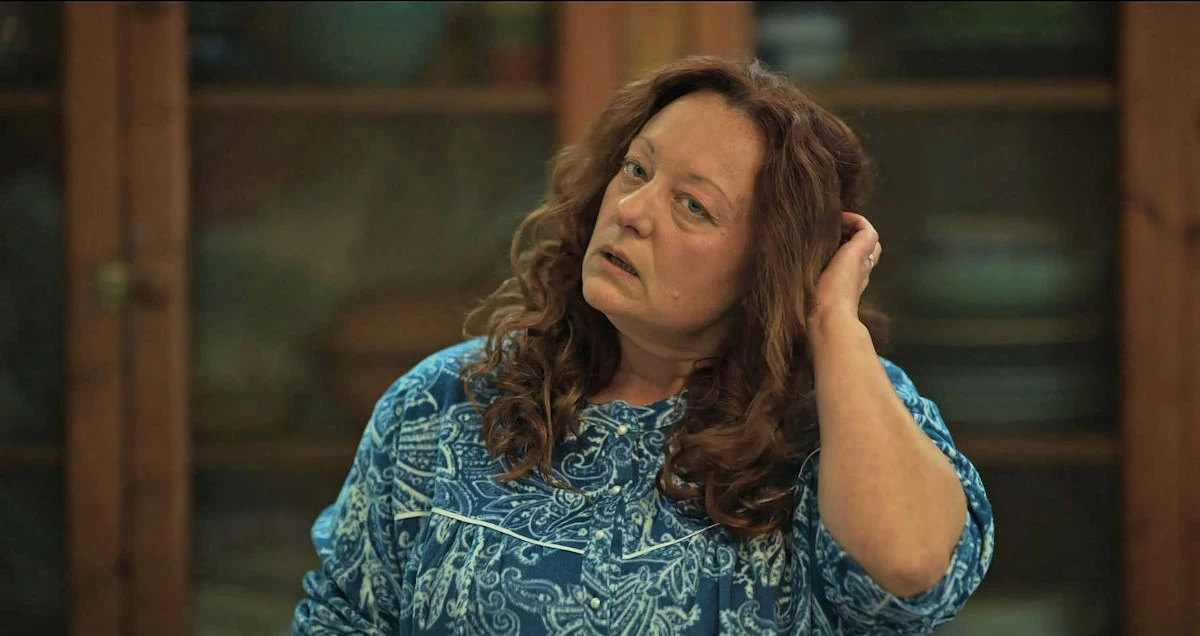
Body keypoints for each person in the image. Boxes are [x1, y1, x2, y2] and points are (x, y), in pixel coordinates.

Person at [293, 55, 994, 635]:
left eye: (693, 205)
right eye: (636, 170)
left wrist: (833, 319)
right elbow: (342, 618)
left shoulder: (838, 417)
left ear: (766, 268)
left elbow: (909, 565)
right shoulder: (445, 403)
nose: (631, 211)